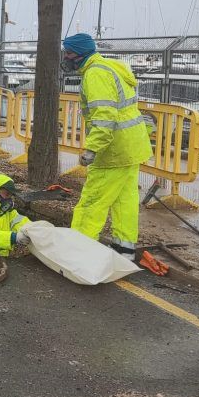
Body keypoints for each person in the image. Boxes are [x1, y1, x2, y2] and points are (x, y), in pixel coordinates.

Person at [61, 33, 153, 255]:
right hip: (132, 147)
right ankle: (124, 249)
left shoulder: (95, 75)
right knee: (125, 200)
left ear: (80, 54)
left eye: (69, 53)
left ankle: (77, 250)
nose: (65, 57)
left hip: (114, 150)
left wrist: (92, 149)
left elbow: (105, 117)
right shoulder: (109, 67)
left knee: (93, 200)